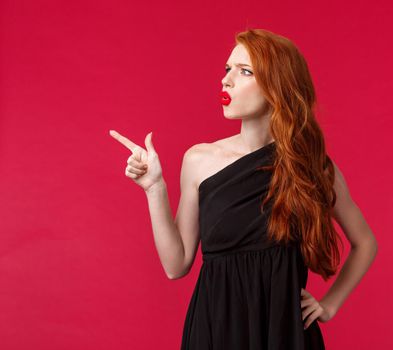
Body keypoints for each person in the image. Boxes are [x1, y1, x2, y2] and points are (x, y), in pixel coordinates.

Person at [110, 28, 378, 350]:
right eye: (227, 69)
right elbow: (175, 264)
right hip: (216, 331)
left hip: (284, 333)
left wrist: (329, 305)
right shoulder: (199, 160)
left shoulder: (312, 167)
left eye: (245, 71)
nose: (226, 80)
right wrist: (154, 187)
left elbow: (365, 242)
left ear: (277, 87)